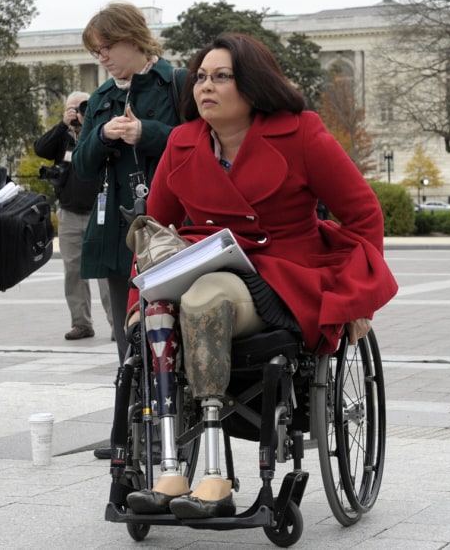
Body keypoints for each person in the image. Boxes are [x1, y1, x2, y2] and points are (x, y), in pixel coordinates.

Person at [124, 34, 398, 519]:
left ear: (252, 85)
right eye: (201, 77)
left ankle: (214, 478)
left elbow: (363, 214)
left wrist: (359, 303)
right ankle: (169, 466)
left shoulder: (302, 134)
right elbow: (154, 235)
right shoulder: (182, 141)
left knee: (205, 298)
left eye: (221, 77)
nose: (205, 86)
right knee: (158, 307)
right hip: (199, 264)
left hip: (279, 277)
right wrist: (136, 302)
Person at [72, 2, 186, 363]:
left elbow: (200, 144)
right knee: (130, 342)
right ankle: (135, 414)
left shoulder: (177, 83)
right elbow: (82, 167)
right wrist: (103, 136)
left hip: (173, 226)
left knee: (178, 331)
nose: (101, 56)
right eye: (96, 50)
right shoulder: (101, 99)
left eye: (107, 46)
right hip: (118, 230)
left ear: (134, 39)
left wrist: (146, 132)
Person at [34, 91, 113, 341]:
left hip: (98, 213)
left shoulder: (98, 132)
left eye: (81, 107)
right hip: (69, 212)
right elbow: (40, 148)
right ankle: (81, 323)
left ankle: (118, 324)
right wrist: (62, 125)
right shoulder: (63, 138)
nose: (77, 112)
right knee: (73, 271)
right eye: (72, 108)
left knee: (105, 272)